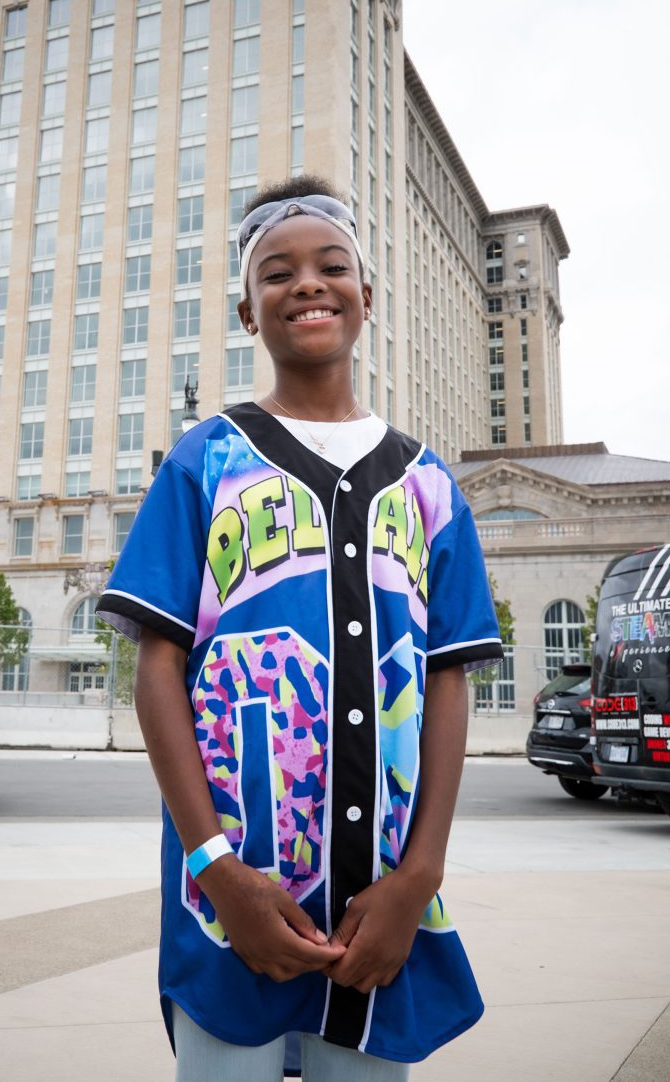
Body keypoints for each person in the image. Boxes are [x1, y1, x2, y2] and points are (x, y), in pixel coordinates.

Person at [96, 174, 503, 1081]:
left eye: (331, 266)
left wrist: (420, 876)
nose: (307, 283)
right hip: (232, 899)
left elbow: (447, 679)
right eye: (275, 273)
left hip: (380, 906)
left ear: (367, 294)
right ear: (248, 311)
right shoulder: (206, 460)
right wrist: (215, 868)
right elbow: (158, 667)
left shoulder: (429, 485)